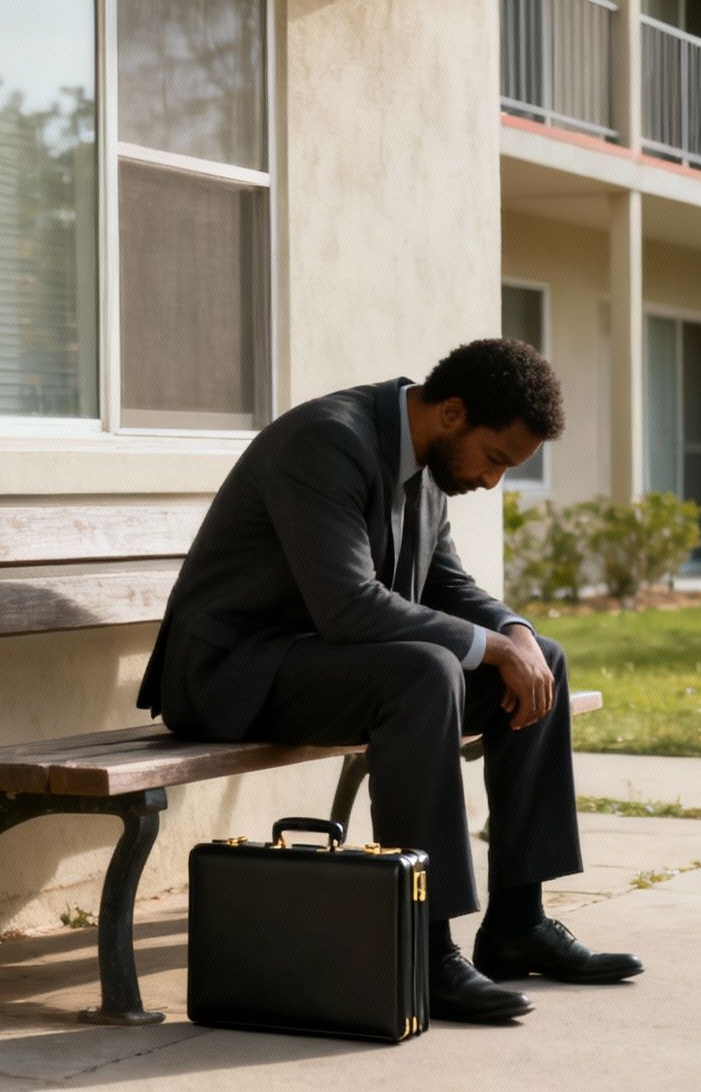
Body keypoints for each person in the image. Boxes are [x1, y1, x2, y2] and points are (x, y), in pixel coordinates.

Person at [138, 338, 643, 1022]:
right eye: (495, 460)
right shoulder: (327, 441)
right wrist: (492, 647)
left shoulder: (430, 457)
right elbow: (347, 605)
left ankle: (518, 923)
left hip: (323, 663)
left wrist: (515, 633)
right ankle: (424, 948)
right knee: (426, 672)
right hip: (232, 674)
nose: (493, 482)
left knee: (541, 659)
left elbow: (448, 584)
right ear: (454, 413)